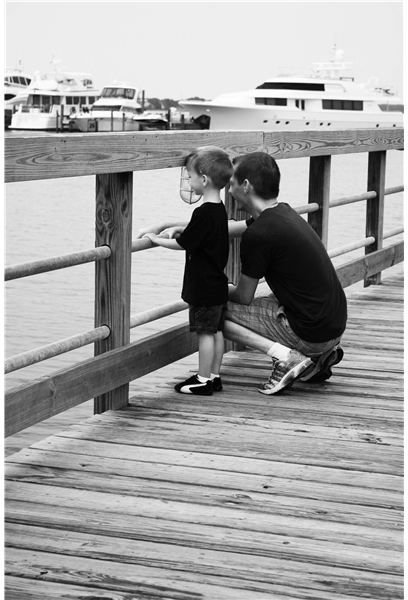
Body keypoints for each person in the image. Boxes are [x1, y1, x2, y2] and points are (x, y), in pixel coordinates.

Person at [223, 151, 347, 394]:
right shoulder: (284, 213)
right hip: (332, 325)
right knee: (268, 300)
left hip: (311, 332)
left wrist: (212, 286)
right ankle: (318, 360)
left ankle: (287, 357)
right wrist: (181, 230)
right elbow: (231, 227)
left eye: (231, 183)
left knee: (210, 309)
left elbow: (242, 296)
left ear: (245, 186)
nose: (228, 190)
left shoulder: (259, 235)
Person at [142, 146, 232, 396]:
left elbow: (184, 243)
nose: (189, 181)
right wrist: (180, 230)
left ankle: (202, 380)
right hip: (217, 284)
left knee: (204, 333)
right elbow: (197, 236)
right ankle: (214, 375)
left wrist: (156, 239)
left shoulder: (202, 213)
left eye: (190, 176)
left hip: (202, 287)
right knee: (217, 332)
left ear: (203, 180)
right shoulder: (218, 210)